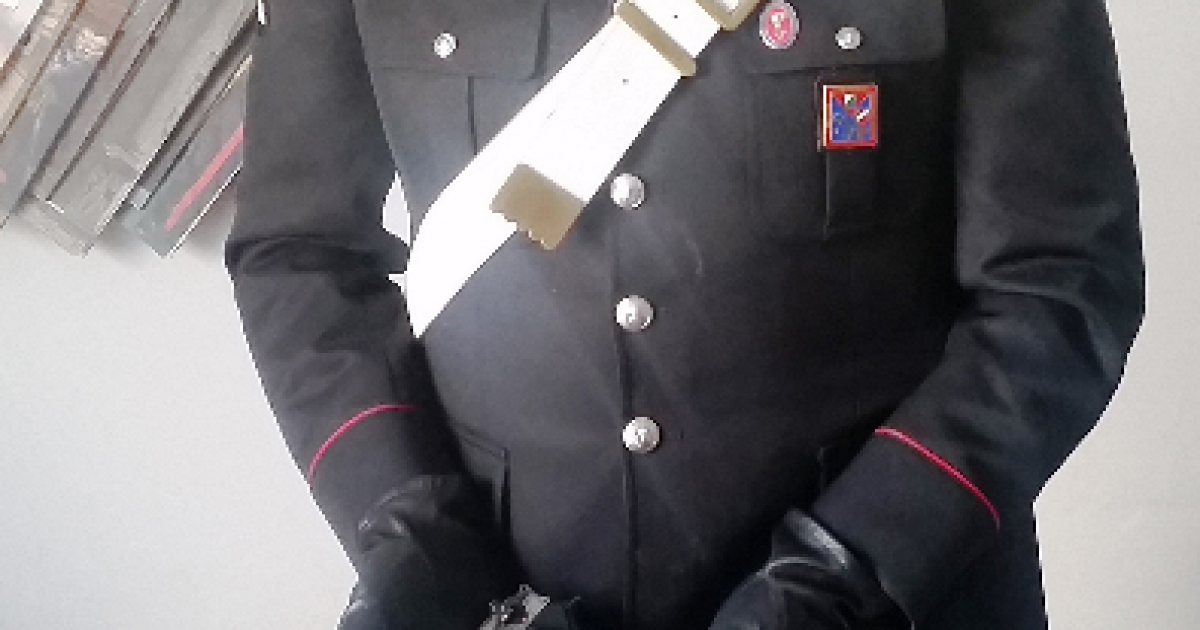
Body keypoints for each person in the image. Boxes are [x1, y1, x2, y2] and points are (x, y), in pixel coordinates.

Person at [226, 0, 1144, 628]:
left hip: (900, 591)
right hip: (510, 598)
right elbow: (301, 252)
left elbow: (1059, 279)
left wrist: (845, 576)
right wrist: (411, 532)